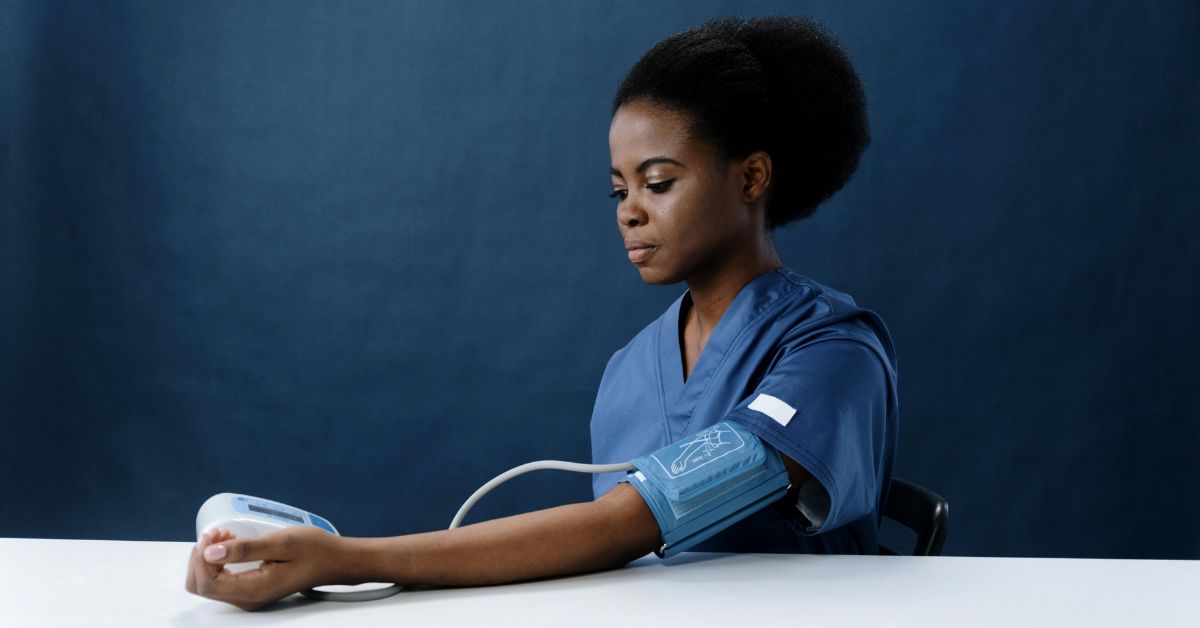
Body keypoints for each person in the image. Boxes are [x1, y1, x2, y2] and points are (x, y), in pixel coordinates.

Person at [186, 15, 897, 611]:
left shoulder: (833, 357)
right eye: (618, 190)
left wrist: (342, 561)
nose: (631, 213)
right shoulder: (630, 371)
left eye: (658, 181)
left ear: (751, 177)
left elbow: (625, 525)